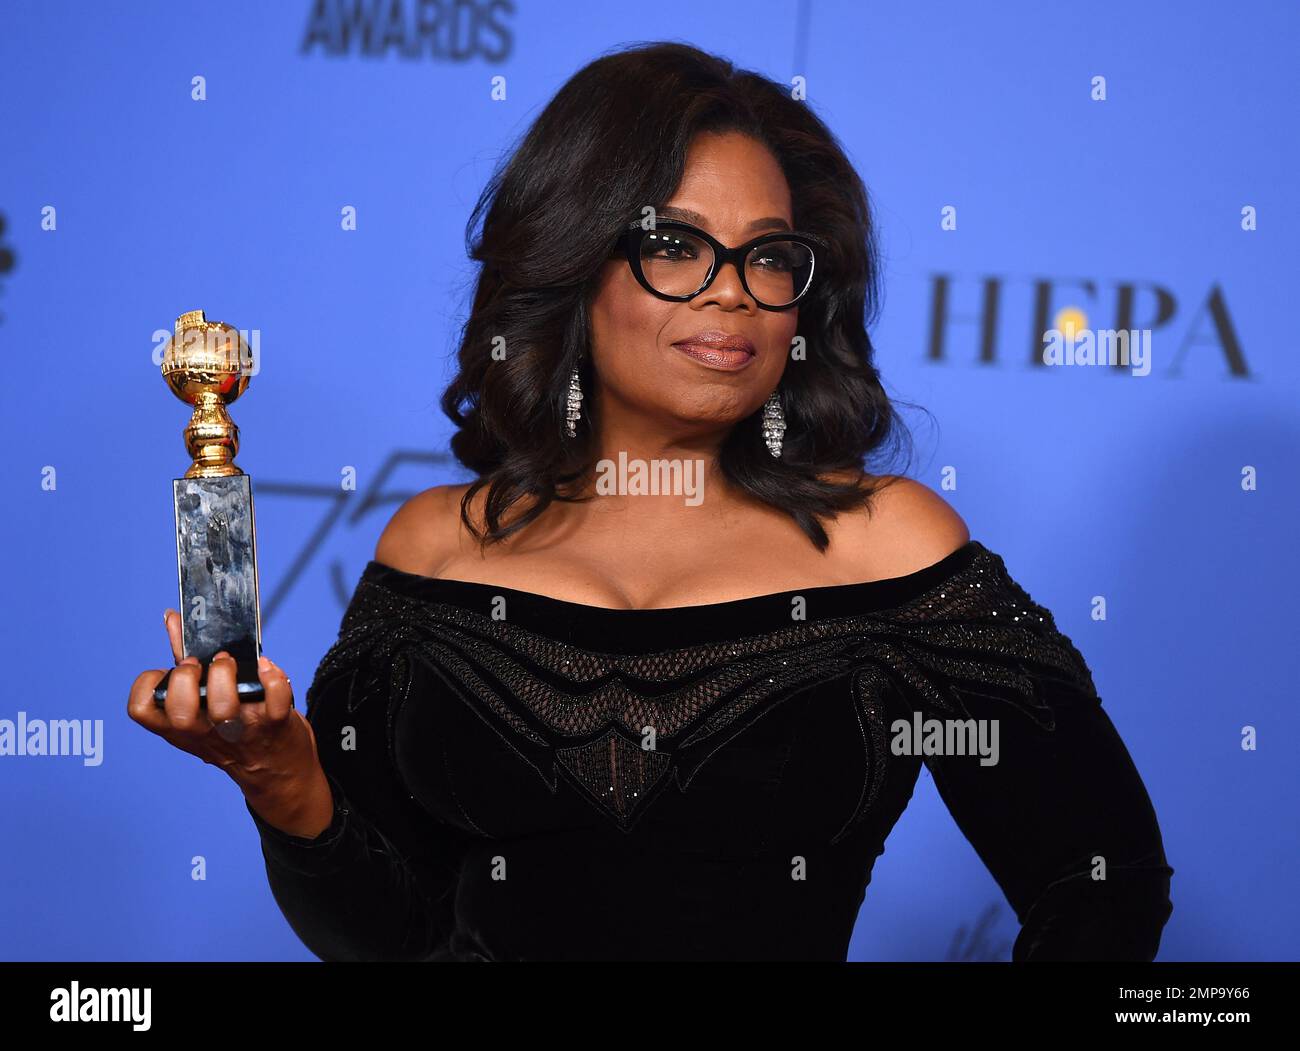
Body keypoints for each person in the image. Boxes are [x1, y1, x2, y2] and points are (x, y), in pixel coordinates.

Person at [127, 41, 1173, 962]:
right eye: (675, 244)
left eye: (769, 256)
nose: (732, 290)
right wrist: (283, 781)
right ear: (574, 262)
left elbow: (1102, 881)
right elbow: (389, 936)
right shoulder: (435, 550)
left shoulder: (885, 550)